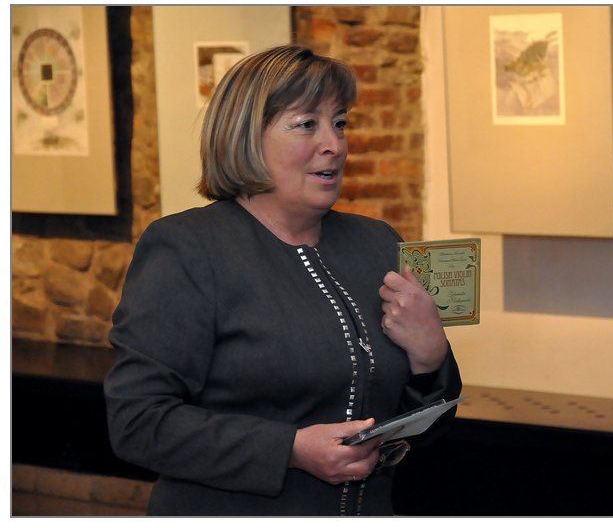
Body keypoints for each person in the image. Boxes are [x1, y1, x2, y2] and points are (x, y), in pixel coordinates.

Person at [103, 44, 462, 516]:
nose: (334, 144)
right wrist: (289, 449)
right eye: (306, 124)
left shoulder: (378, 243)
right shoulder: (186, 248)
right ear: (246, 137)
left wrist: (430, 359)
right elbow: (137, 422)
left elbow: (427, 428)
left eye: (339, 122)